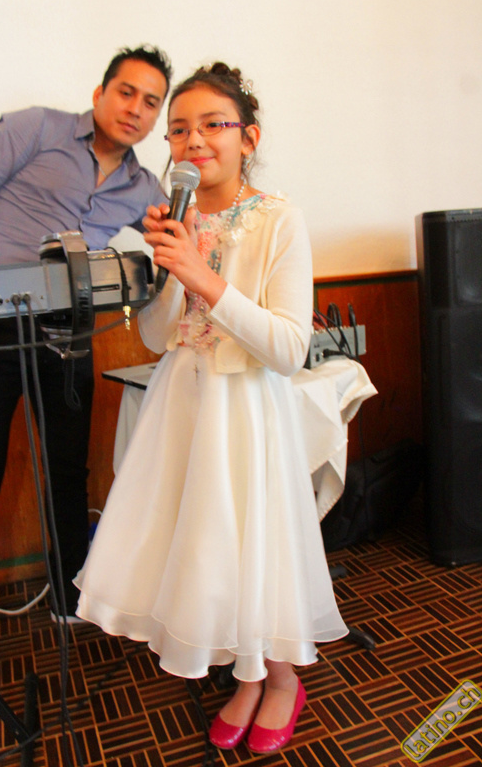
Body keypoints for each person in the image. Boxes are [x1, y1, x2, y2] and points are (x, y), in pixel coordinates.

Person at [74, 62, 348, 754]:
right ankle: (245, 678)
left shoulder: (280, 218)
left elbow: (288, 347)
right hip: (184, 403)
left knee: (253, 544)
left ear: (247, 137)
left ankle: (280, 679)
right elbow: (156, 336)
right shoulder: (179, 217)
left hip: (247, 408)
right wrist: (172, 269)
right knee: (204, 548)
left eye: (211, 125)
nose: (192, 141)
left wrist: (204, 276)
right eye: (178, 130)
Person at [0, 45, 172, 701]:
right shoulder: (36, 128)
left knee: (68, 469)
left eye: (151, 103)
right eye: (126, 92)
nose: (136, 110)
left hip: (71, 330)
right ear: (101, 93)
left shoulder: (144, 188)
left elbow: (178, 237)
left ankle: (66, 588)